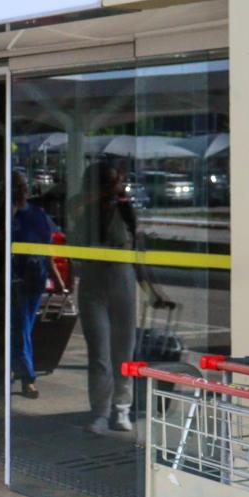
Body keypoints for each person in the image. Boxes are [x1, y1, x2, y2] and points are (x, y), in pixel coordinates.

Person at [72, 162, 170, 435]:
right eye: (114, 183)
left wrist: (152, 292)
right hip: (93, 289)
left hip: (122, 287)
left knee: (124, 353)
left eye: (118, 183)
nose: (120, 187)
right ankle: (100, 413)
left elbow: (137, 257)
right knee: (100, 355)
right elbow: (74, 237)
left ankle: (122, 409)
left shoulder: (126, 212)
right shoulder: (83, 209)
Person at [10, 171, 66, 399]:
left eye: (23, 185)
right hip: (18, 278)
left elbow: (48, 248)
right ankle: (28, 378)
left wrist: (57, 279)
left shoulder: (37, 213)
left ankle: (15, 366)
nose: (22, 189)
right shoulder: (9, 215)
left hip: (36, 277)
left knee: (25, 328)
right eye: (17, 186)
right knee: (22, 328)